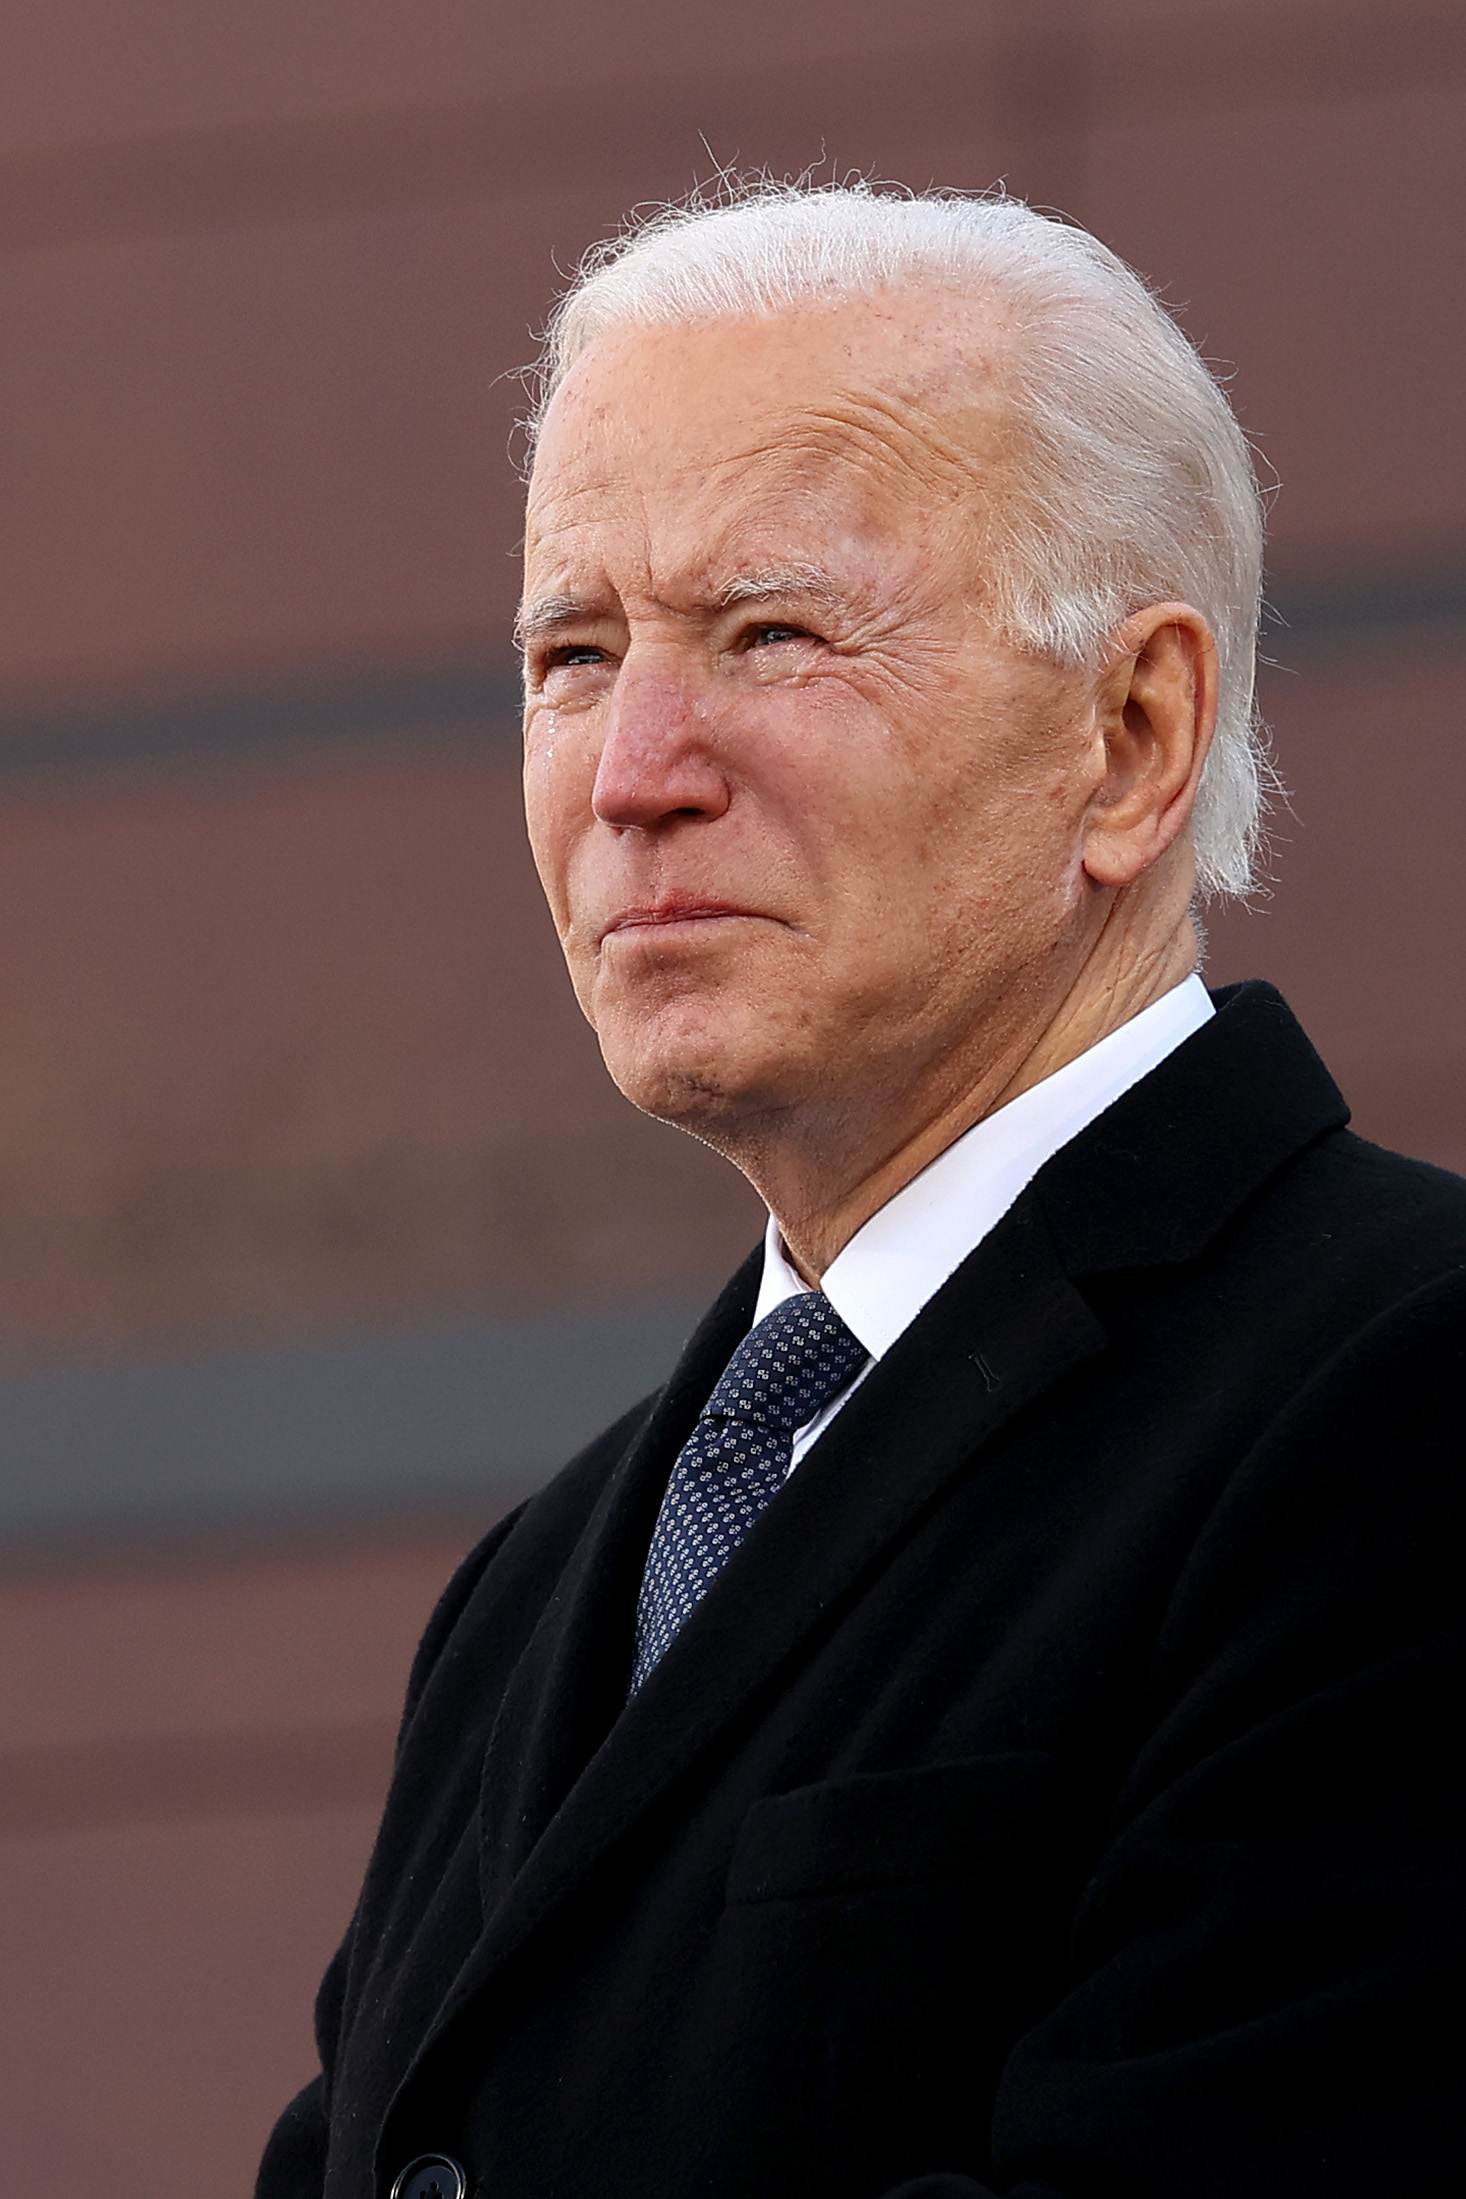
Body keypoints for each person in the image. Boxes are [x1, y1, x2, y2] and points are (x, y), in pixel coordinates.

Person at [258, 186, 1465, 2199]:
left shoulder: (1399, 1399)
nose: (634, 765)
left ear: (1129, 733)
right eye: (572, 649)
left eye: (771, 633)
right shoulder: (543, 1581)